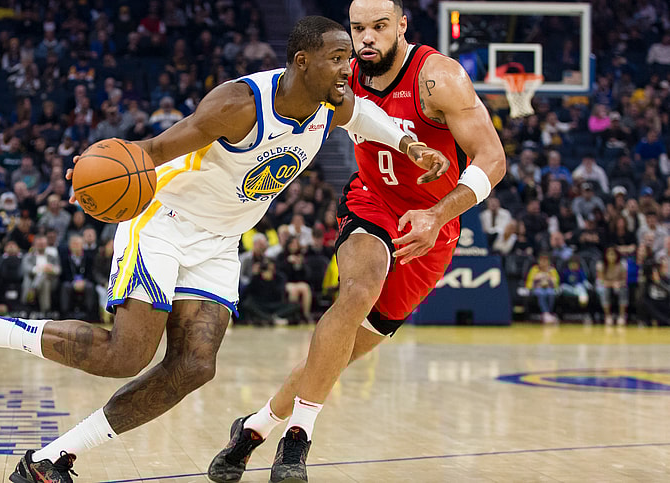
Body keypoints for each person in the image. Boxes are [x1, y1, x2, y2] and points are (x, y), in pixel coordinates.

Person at [0, 16, 453, 483]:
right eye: (338, 58)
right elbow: (151, 150)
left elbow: (363, 115)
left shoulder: (328, 103)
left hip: (220, 241)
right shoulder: (239, 106)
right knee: (125, 354)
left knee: (195, 366)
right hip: (165, 223)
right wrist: (92, 174)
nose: (347, 67)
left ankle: (52, 458)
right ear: (302, 62)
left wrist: (408, 143)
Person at [208, 2, 506, 482]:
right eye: (358, 28)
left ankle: (255, 428)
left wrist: (436, 213)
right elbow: (277, 95)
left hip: (431, 225)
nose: (366, 39)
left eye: (379, 27)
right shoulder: (340, 73)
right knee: (357, 290)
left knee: (337, 354)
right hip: (369, 202)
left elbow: (492, 159)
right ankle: (298, 438)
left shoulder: (439, 78)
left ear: (402, 26)